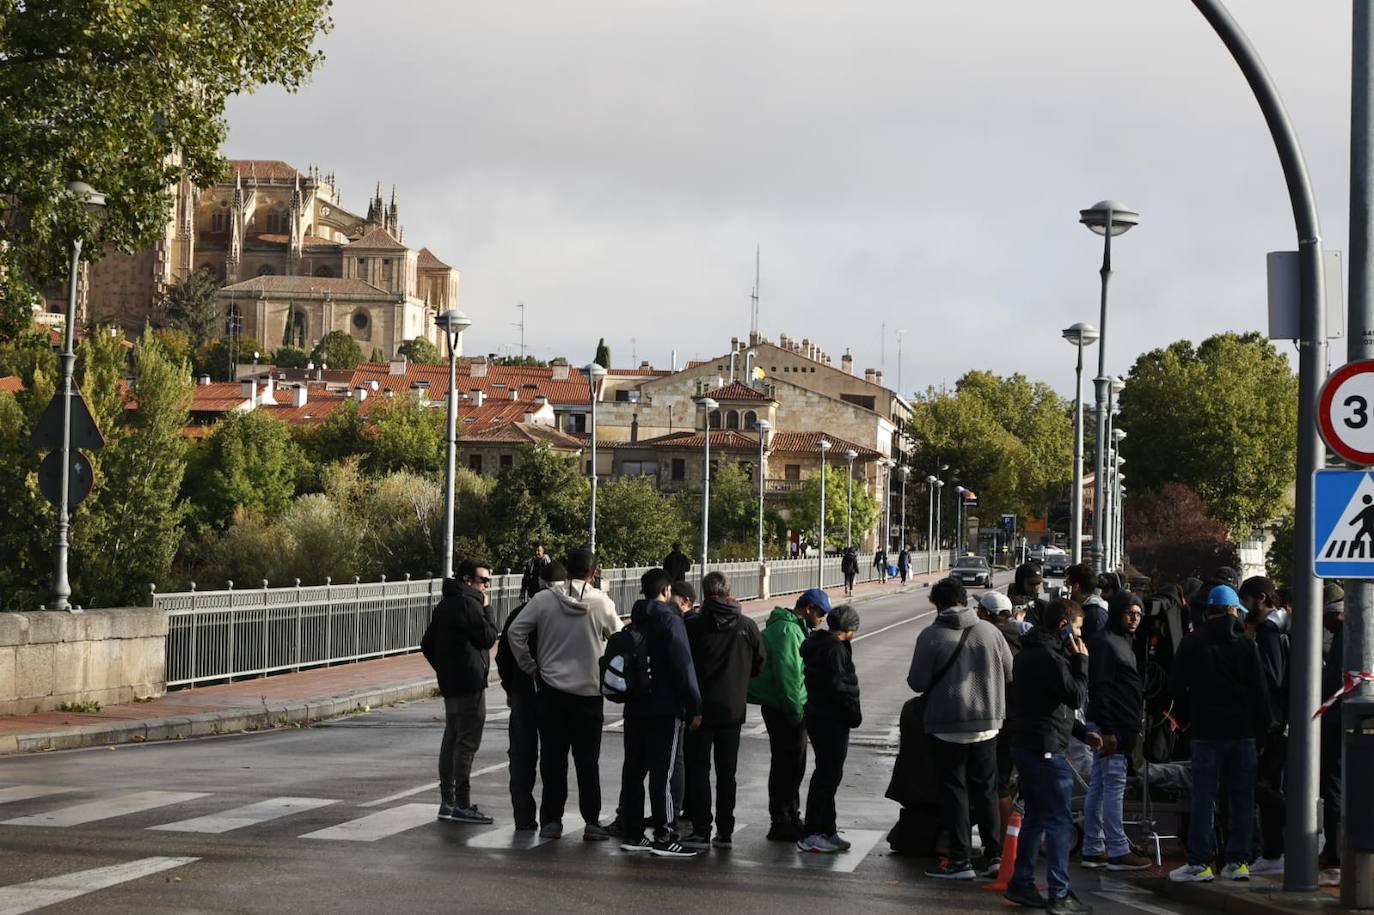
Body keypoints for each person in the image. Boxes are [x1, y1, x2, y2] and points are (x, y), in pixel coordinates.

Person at [507, 548, 622, 841]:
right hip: (589, 693)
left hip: (551, 691)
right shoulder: (601, 603)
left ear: (567, 570)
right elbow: (619, 637)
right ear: (593, 573)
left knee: (553, 759)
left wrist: (530, 666)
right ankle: (591, 821)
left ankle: (551, 821)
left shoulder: (544, 600)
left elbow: (515, 632)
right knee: (587, 762)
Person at [908, 577, 1013, 880]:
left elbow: (917, 682)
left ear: (937, 604)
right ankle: (994, 855)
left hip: (946, 725)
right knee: (987, 790)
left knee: (955, 792)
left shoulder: (931, 635)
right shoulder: (991, 631)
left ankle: (960, 861)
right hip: (988, 724)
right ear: (965, 600)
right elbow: (1009, 671)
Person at [1168, 585, 1271, 883]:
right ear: (1233, 610)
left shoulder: (1192, 642)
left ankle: (1200, 863)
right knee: (1242, 799)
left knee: (1203, 798)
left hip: (1206, 732)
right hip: (1243, 733)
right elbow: (1260, 692)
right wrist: (1262, 732)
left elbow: (1177, 688)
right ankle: (1238, 862)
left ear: (1209, 610)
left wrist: (1185, 722)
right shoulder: (1246, 644)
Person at [1004, 598, 1098, 915]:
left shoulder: (1032, 652)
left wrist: (1081, 733)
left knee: (1036, 816)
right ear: (1063, 626)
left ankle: (1022, 881)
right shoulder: (1050, 657)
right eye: (1078, 630)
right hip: (1044, 749)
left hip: (1029, 743)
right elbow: (1074, 696)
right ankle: (1059, 892)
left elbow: (1049, 705)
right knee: (1059, 820)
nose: (1080, 638)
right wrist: (1081, 662)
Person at [618, 568, 702, 858]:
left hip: (635, 706)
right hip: (665, 707)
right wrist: (695, 705)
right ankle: (665, 835)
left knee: (634, 769)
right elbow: (683, 664)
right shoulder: (670, 620)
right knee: (664, 772)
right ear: (666, 591)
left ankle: (633, 832)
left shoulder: (635, 619)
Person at [681, 571, 765, 848]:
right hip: (732, 709)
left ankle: (701, 829)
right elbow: (759, 663)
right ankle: (725, 831)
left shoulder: (693, 625)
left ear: (705, 592)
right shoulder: (747, 625)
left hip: (699, 710)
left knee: (699, 771)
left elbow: (683, 665)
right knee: (727, 773)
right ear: (729, 590)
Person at [749, 588, 831, 841]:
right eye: (821, 613)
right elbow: (790, 677)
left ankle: (791, 815)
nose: (823, 619)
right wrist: (795, 713)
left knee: (792, 765)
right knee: (788, 766)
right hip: (784, 707)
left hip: (783, 704)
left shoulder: (792, 628)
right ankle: (782, 820)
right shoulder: (787, 631)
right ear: (808, 609)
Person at [423, 557, 499, 825]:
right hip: (470, 682)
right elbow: (488, 637)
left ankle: (447, 801)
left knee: (451, 739)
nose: (487, 585)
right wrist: (488, 610)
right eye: (483, 580)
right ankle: (462, 805)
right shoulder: (470, 604)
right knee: (466, 742)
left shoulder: (445, 604)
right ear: (467, 579)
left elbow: (427, 643)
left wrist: (444, 668)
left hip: (451, 683)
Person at [1080, 592, 1151, 871]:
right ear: (1118, 612)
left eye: (1139, 613)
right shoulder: (1106, 643)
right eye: (1129, 612)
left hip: (1115, 723)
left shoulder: (1121, 641)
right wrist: (1109, 729)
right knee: (1113, 785)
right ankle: (1118, 848)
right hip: (1112, 726)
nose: (1134, 618)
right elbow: (1101, 689)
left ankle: (1093, 846)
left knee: (1100, 785)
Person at [496, 559, 565, 830]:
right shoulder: (568, 613)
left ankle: (523, 817)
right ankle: (551, 818)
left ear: (539, 583)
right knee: (553, 757)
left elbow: (503, 656)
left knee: (522, 758)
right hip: (555, 694)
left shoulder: (520, 613)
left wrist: (511, 687)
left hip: (523, 694)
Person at [798, 605, 862, 853]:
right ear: (849, 628)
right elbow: (838, 686)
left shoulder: (823, 644)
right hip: (831, 718)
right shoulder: (834, 648)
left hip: (819, 715)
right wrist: (852, 712)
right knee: (827, 776)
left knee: (829, 774)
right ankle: (812, 832)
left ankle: (827, 828)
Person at [1238, 575, 1289, 875]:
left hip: (1272, 722)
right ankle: (1273, 850)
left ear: (1261, 598)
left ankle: (1276, 847)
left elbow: (1272, 676)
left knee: (1263, 785)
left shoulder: (1269, 631)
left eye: (1246, 601)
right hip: (1281, 720)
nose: (1244, 609)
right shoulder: (1281, 626)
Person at [1320, 590, 1345, 877]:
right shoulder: (1343, 637)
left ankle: (1335, 851)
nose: (1324, 625)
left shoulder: (1344, 638)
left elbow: (1336, 684)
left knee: (1335, 785)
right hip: (1343, 720)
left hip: (1338, 722)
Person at [1065, 563, 1108, 640]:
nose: (1064, 589)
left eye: (1067, 583)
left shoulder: (1095, 616)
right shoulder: (1082, 609)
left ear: (1075, 587)